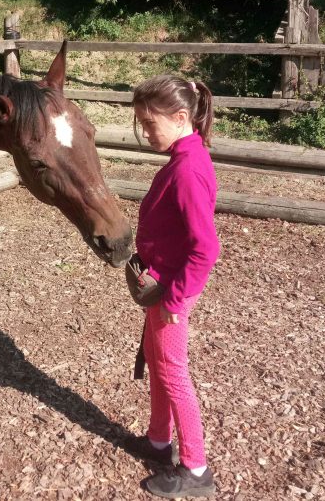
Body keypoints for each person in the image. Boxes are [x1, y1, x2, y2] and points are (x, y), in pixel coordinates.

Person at [126, 75, 220, 499]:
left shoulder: (187, 171)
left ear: (181, 117)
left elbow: (206, 249)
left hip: (171, 292)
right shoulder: (186, 157)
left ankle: (196, 469)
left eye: (149, 123)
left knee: (173, 373)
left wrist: (175, 300)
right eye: (141, 123)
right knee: (157, 362)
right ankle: (159, 442)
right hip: (164, 284)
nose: (145, 132)